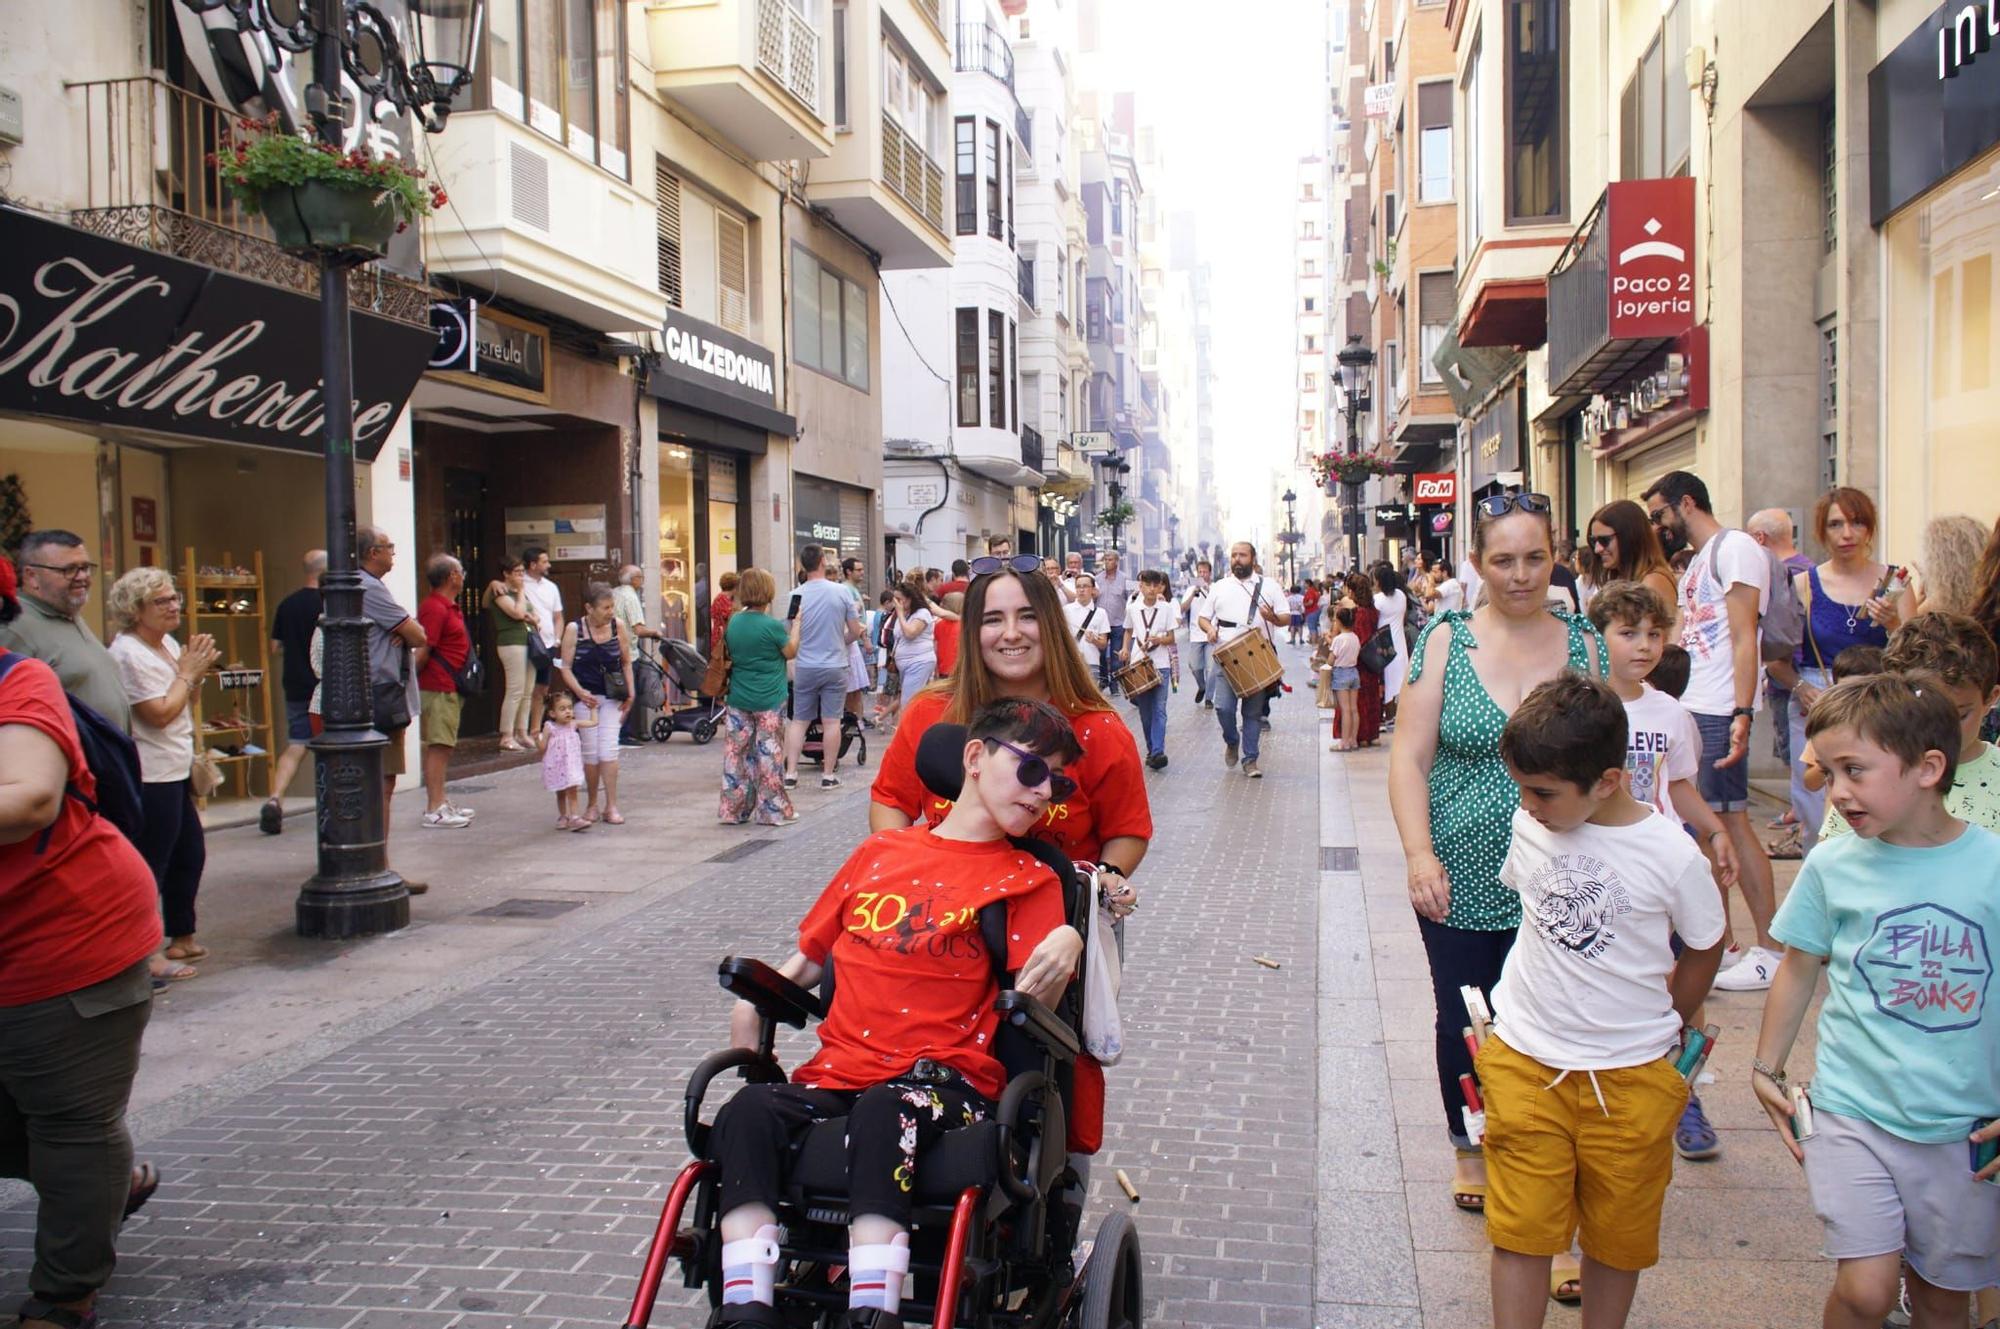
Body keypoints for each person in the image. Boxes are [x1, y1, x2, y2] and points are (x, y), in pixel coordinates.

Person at [709, 699, 1086, 1328]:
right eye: (1031, 771)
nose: (1044, 792)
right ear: (974, 757)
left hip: (943, 1084)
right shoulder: (879, 853)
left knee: (889, 1105)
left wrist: (1069, 940)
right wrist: (755, 1002)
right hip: (839, 1075)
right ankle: (748, 1306)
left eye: (1058, 782)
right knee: (748, 1110)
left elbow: (1032, 1006)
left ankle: (872, 1311)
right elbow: (803, 963)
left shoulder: (1029, 879)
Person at [1750, 673, 2000, 1329]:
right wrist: (1765, 1066)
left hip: (1964, 1127)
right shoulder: (1834, 863)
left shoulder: (1993, 866)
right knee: (1865, 1290)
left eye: (1854, 770)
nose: (1836, 792)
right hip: (1852, 1110)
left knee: (1944, 1300)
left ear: (1928, 767)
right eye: (1829, 771)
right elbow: (1799, 966)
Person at [1483, 674, 1727, 1329]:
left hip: (1631, 1076)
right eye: (1522, 787)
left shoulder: (1671, 854)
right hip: (1527, 1059)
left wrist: (1671, 1020)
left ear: (1610, 781)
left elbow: (1706, 940)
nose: (1528, 804)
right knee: (1520, 1228)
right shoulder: (1529, 821)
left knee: (1618, 1237)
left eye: (1544, 792)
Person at [1387, 491, 1605, 1215]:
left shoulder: (1584, 646)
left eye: (1535, 557)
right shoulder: (1445, 640)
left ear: (1555, 558)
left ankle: (1547, 1144)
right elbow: (1409, 759)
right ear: (1477, 563)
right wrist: (1420, 854)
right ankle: (1472, 1139)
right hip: (1460, 871)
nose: (1520, 574)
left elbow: (1608, 762)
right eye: (1504, 559)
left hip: (1560, 872)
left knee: (1553, 1015)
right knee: (1464, 1016)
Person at [0, 555, 164, 1329]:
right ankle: (100, 1185)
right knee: (42, 1134)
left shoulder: (18, 681)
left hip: (66, 937)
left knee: (70, 1121)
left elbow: (31, 796)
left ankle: (65, 1290)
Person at [1587, 581, 1741, 1167]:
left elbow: (1678, 786)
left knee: (1683, 982)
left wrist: (1716, 831)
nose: (1645, 646)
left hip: (1661, 863)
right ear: (1598, 638)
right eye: (1628, 633)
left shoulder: (1671, 712)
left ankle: (1684, 1092)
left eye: (1655, 633)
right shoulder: (1582, 706)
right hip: (1602, 868)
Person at [1642, 472, 1780, 991]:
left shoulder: (1737, 547)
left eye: (1660, 515)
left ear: (1686, 503)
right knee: (1706, 831)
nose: (1658, 526)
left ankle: (1772, 948)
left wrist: (1742, 711)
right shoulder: (1700, 560)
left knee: (1731, 824)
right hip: (1697, 707)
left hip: (1721, 707)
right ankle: (1723, 946)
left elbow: (1748, 638)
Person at [1761, 488, 1896, 863]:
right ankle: (1819, 883)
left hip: (1879, 702)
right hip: (1815, 698)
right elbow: (1774, 657)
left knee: (1879, 793)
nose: (1847, 533)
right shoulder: (1804, 584)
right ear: (1822, 532)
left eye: (1856, 522)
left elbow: (1915, 654)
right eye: (1835, 524)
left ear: (1870, 529)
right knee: (1813, 805)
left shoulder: (1894, 582)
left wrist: (1895, 622)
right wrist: (1801, 687)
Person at [106, 568, 219, 982]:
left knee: (189, 853)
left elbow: (185, 700)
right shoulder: (128, 654)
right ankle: (145, 953)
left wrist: (194, 673)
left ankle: (182, 935)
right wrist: (188, 673)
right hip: (150, 771)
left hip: (174, 766)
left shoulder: (166, 644)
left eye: (175, 598)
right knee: (151, 862)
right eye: (162, 601)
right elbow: (158, 714)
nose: (174, 606)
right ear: (136, 610)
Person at [1819, 613, 1998, 840]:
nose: (1941, 730)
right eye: (1921, 714)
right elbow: (1831, 859)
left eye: (1960, 715)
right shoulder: (1876, 771)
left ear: (1991, 698)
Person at [0, 530, 131, 729]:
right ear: (32, 576)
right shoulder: (15, 626)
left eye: (85, 568)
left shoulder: (70, 614)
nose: (82, 577)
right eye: (69, 570)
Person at [357, 526, 428, 892]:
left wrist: (403, 631)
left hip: (379, 693)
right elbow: (417, 635)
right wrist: (402, 632)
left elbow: (411, 632)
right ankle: (378, 864)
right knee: (381, 784)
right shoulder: (367, 588)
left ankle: (379, 861)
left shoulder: (367, 587)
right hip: (381, 695)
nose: (394, 554)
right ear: (373, 552)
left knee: (382, 783)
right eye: (390, 548)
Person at [1197, 543, 1289, 779]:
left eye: (1242, 555)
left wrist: (1274, 618)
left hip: (1256, 655)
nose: (1237, 559)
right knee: (1223, 707)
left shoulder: (1269, 586)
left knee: (1252, 712)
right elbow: (1203, 618)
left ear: (1253, 558)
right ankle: (1232, 740)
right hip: (1226, 656)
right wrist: (1209, 630)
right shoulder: (1220, 586)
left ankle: (1250, 760)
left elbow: (1286, 617)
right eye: (1234, 555)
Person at [719, 568, 798, 828]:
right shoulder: (772, 626)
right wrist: (796, 627)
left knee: (736, 755)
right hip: (769, 698)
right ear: (768, 592)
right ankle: (771, 811)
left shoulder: (734, 623)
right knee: (769, 755)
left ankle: (734, 810)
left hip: (738, 697)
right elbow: (790, 651)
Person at [782, 546, 863, 791]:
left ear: (802, 564)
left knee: (799, 721)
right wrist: (842, 641)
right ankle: (828, 775)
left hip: (806, 665)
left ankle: (791, 773)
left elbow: (789, 632)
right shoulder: (841, 592)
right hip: (835, 664)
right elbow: (856, 630)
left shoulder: (795, 595)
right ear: (821, 561)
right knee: (831, 721)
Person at [554, 584, 634, 825]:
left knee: (608, 749)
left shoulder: (617, 626)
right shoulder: (574, 629)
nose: (610, 612)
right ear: (589, 608)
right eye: (605, 608)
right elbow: (565, 666)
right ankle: (591, 804)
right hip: (585, 698)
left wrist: (631, 693)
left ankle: (611, 805)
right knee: (590, 753)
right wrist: (579, 691)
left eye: (612, 607)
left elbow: (626, 661)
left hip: (612, 696)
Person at [261, 549, 325, 834]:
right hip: (323, 686)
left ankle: (275, 798)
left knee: (297, 744)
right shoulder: (329, 603)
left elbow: (274, 647)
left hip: (295, 684)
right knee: (330, 746)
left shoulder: (287, 604)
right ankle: (330, 806)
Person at [415, 554, 474, 830]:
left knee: (444, 745)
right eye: (461, 571)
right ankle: (434, 808)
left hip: (447, 685)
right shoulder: (435, 608)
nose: (464, 575)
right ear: (452, 575)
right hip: (439, 686)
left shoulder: (447, 607)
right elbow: (424, 648)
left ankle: (440, 800)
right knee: (439, 746)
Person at [1583, 500, 1679, 635]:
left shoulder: (1653, 581)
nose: (1598, 549)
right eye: (1594, 541)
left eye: (1605, 540)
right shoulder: (1620, 578)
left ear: (1629, 537)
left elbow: (1664, 640)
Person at [483, 555, 540, 751]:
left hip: (529, 641)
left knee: (528, 690)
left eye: (523, 573)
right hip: (512, 643)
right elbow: (517, 613)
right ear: (506, 574)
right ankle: (506, 734)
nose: (521, 577)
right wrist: (521, 594)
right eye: (517, 573)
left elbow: (534, 615)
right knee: (515, 689)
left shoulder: (519, 594)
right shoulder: (500, 592)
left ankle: (521, 731)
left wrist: (528, 612)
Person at [1121, 569, 1175, 769]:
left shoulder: (1166, 608)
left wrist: (1159, 639)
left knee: (1160, 709)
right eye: (1148, 585)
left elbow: (1171, 638)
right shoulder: (1132, 608)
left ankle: (1158, 751)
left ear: (1160, 586)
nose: (1152, 589)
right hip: (1139, 663)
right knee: (1145, 712)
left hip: (1161, 663)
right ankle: (1152, 749)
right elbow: (1128, 631)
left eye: (1156, 585)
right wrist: (1125, 649)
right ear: (1140, 586)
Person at [612, 564, 662, 748]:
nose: (642, 581)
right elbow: (638, 629)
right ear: (634, 580)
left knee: (615, 694)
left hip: (611, 650)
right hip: (627, 653)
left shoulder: (614, 593)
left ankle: (615, 732)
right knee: (628, 694)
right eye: (640, 577)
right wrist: (655, 633)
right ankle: (623, 734)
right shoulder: (630, 596)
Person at [537, 688, 595, 831]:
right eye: (562, 709)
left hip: (572, 765)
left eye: (569, 708)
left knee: (572, 790)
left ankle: (574, 817)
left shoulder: (573, 724)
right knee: (560, 792)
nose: (568, 712)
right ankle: (563, 816)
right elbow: (542, 747)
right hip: (557, 765)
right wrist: (536, 739)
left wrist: (593, 709)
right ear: (552, 713)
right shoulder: (550, 727)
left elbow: (593, 722)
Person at [520, 546, 563, 732]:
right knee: (525, 688)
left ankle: (535, 729)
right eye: (544, 561)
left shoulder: (551, 587)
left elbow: (558, 616)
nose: (549, 565)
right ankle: (520, 730)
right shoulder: (520, 584)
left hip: (548, 643)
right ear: (532, 564)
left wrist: (557, 640)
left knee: (542, 688)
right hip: (528, 641)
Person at [1341, 572, 1386, 747]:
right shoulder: (1373, 611)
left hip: (1358, 661)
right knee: (1372, 697)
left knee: (1357, 701)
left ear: (1352, 592)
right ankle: (1371, 733)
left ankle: (1359, 735)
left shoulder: (1357, 613)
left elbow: (1357, 638)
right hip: (1373, 660)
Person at [889, 577, 939, 700]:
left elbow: (910, 633)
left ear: (910, 598)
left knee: (908, 701)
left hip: (919, 661)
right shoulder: (904, 614)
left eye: (899, 599)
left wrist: (899, 613)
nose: (896, 602)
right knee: (911, 700)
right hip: (905, 663)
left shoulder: (922, 613)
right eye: (894, 599)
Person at [1374, 564, 1413, 709]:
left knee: (1387, 679)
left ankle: (1388, 712)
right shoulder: (1401, 596)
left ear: (1378, 582)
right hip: (1400, 641)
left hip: (1383, 643)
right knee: (1399, 678)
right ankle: (1398, 712)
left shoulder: (1378, 599)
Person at [1179, 560, 1215, 706]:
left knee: (1211, 668)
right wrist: (1193, 594)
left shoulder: (1214, 588)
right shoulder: (1191, 589)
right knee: (1194, 665)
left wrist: (1208, 590)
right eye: (1200, 572)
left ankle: (1209, 698)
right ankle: (1202, 686)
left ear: (1209, 573)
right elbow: (1182, 609)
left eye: (1205, 572)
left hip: (1212, 634)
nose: (1202, 574)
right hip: (1195, 634)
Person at [840, 557, 871, 722]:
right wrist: (865, 639)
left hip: (855, 640)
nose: (862, 573)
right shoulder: (846, 589)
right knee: (853, 686)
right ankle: (854, 719)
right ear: (848, 572)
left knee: (856, 686)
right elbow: (853, 619)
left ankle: (857, 718)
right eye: (858, 570)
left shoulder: (852, 589)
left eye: (862, 569)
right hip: (853, 641)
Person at [1328, 606, 1361, 752]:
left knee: (1345, 709)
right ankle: (1353, 740)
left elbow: (1331, 660)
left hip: (1341, 673)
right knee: (1354, 709)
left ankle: (1344, 742)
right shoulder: (1355, 637)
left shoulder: (1338, 640)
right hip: (1354, 672)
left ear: (1340, 622)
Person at [1063, 572, 1109, 676]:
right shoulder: (1065, 610)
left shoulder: (1101, 613)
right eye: (1078, 586)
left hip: (1092, 663)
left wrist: (1094, 640)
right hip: (1071, 663)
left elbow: (1103, 644)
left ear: (1093, 589)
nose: (1081, 590)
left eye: (1085, 586)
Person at [1095, 552, 1130, 689]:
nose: (1107, 562)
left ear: (1116, 562)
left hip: (1118, 623)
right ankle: (1104, 680)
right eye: (1106, 560)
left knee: (1116, 658)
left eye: (1110, 560)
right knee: (1101, 655)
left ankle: (1115, 685)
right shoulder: (1097, 579)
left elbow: (1131, 599)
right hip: (1101, 624)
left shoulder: (1125, 579)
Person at [871, 590, 903, 730]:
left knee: (893, 692)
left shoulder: (888, 615)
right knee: (895, 692)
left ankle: (893, 721)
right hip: (891, 658)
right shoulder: (893, 616)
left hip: (888, 657)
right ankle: (883, 717)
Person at [932, 560, 970, 678]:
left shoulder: (943, 589)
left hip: (944, 666)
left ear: (953, 573)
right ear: (968, 572)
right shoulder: (974, 587)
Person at [709, 570, 740, 659]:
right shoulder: (723, 599)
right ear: (734, 587)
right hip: (722, 640)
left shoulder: (719, 598)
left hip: (719, 637)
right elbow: (731, 618)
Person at [1302, 578, 1323, 643]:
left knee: (1312, 628)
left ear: (1308, 584)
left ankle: (1313, 643)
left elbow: (1311, 601)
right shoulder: (1313, 591)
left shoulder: (1310, 591)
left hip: (1311, 611)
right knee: (1314, 627)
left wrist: (1305, 604)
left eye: (1304, 583)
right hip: (1315, 611)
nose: (1303, 585)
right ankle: (1314, 642)